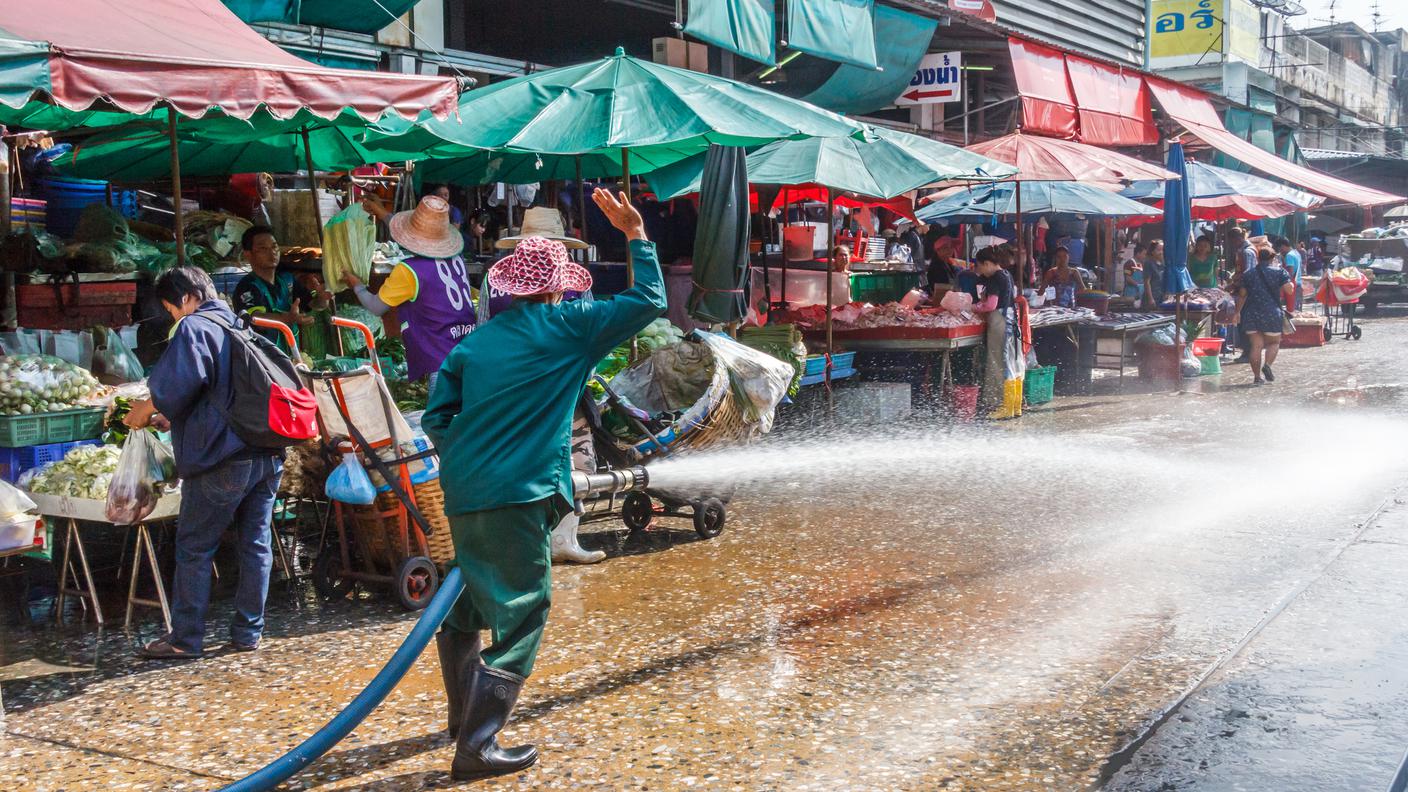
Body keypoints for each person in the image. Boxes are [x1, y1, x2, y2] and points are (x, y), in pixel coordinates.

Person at [421, 188, 666, 781]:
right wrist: (635, 233)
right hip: (519, 492)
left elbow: (435, 419)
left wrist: (469, 459)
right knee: (525, 610)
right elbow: (649, 299)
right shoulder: (570, 325)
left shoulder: (475, 343)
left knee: (469, 604)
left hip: (466, 489)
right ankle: (477, 746)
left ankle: (461, 721)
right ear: (559, 285)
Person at [123, 268, 284, 659]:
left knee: (195, 546)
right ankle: (248, 633)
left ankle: (185, 639)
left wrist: (142, 412)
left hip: (224, 458)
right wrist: (173, 418)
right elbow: (215, 390)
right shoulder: (238, 323)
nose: (174, 317)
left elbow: (173, 386)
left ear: (182, 299)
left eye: (169, 308)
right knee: (255, 543)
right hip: (266, 453)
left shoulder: (195, 326)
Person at [342, 196, 478, 393]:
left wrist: (357, 285)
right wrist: (382, 213)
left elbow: (375, 306)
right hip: (467, 355)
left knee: (440, 422)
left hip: (441, 363)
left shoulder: (409, 271)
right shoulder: (456, 258)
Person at [231, 225, 325, 348]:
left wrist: (323, 298)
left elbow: (314, 304)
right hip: (261, 358)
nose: (272, 252)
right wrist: (287, 318)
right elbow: (255, 319)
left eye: (274, 247)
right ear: (248, 254)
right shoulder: (247, 286)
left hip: (290, 356)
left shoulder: (287, 280)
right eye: (263, 248)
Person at [962, 247, 1023, 419]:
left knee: (998, 362)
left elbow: (990, 305)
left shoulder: (994, 279)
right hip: (1011, 319)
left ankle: (1001, 405)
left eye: (980, 266)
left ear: (987, 264)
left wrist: (971, 307)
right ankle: (1014, 406)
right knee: (1012, 361)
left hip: (999, 321)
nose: (979, 271)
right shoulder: (1006, 274)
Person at [1233, 247, 1295, 386]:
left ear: (1258, 258)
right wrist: (1288, 280)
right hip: (1272, 313)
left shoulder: (1248, 274)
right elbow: (1289, 290)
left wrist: (1237, 313)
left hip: (1251, 313)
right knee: (1274, 342)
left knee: (1256, 346)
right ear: (1273, 258)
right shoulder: (1279, 272)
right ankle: (1267, 365)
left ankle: (1256, 377)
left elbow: (1242, 295)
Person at [1275, 236, 1303, 309]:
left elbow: (1289, 274)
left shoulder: (1289, 256)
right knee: (1297, 312)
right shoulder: (1296, 252)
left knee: (1291, 311)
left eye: (1280, 249)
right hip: (1299, 284)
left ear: (1283, 246)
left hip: (1293, 286)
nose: (1280, 251)